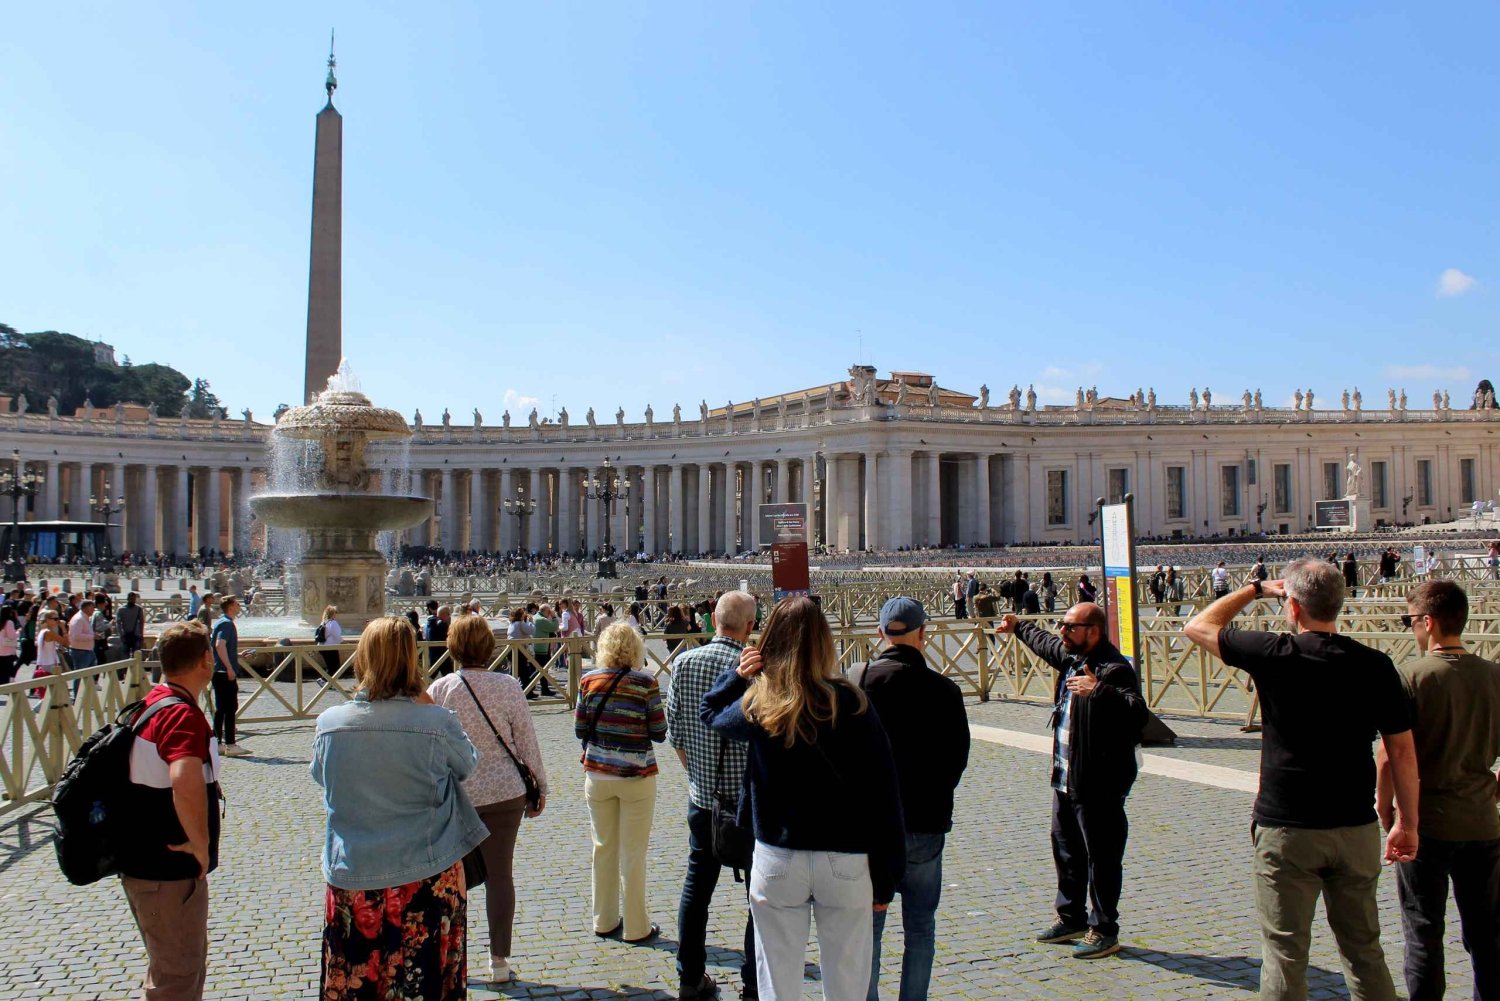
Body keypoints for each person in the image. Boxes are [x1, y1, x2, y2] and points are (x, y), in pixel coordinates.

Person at [1182, 558, 1420, 1001]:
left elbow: (1197, 626)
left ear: (1292, 608)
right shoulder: (1376, 665)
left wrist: (1254, 590)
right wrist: (1408, 822)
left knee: (1285, 954)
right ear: (1340, 603)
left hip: (1287, 827)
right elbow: (1402, 752)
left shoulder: (1273, 653)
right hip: (1354, 825)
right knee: (1364, 950)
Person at [702, 596, 905, 1001]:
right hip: (845, 860)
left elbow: (710, 713)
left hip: (778, 857)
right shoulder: (852, 703)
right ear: (826, 642)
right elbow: (884, 796)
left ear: (769, 641)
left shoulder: (761, 703)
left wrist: (738, 676)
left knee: (777, 985)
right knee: (848, 986)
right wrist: (886, 878)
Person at [311, 616, 487, 1000]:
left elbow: (322, 778)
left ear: (363, 658)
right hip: (426, 877)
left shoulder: (330, 724)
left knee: (360, 985)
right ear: (412, 660)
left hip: (355, 877)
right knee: (426, 985)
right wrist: (428, 704)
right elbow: (468, 764)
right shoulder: (436, 723)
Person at [994, 602, 1147, 960]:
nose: (1062, 632)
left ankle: (1104, 928)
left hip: (1099, 783)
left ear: (1092, 631)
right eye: (1062, 625)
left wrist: (1098, 691)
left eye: (1070, 627)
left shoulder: (1114, 669)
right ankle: (1071, 918)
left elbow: (1138, 713)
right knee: (1066, 850)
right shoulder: (1072, 658)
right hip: (1067, 776)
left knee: (1102, 858)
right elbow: (1045, 642)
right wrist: (1018, 626)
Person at [1377, 580, 1500, 1001]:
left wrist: (1386, 810)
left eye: (1410, 620)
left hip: (1425, 822)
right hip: (1483, 821)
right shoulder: (1494, 676)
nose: (1410, 628)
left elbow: (1390, 757)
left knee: (1424, 931)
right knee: (1487, 934)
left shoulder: (1411, 676)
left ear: (1427, 622)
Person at [853, 598, 970, 1001]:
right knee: (920, 929)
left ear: (880, 632)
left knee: (867, 930)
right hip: (925, 823)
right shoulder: (946, 690)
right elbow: (957, 760)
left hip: (868, 831)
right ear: (923, 633)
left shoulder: (856, 679)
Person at [430, 614, 550, 986]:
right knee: (501, 876)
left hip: (458, 795)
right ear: (489, 645)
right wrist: (540, 788)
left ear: (453, 646)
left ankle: (452, 958)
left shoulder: (441, 689)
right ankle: (499, 961)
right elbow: (527, 742)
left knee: (453, 881)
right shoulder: (508, 686)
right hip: (505, 794)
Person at [118, 621, 223, 1001]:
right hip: (167, 872)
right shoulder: (181, 715)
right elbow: (184, 778)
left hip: (145, 867)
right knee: (176, 980)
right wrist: (200, 844)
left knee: (175, 968)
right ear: (206, 661)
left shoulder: (151, 703)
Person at [665, 590, 760, 1001]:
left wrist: (699, 778)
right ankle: (755, 984)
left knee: (696, 889)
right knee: (759, 898)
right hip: (750, 805)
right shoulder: (757, 670)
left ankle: (690, 978)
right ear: (750, 627)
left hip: (703, 800)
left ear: (713, 620)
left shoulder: (683, 663)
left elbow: (675, 733)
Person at [575, 621, 668, 944]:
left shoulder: (588, 680)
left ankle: (603, 919)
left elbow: (579, 729)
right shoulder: (645, 683)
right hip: (635, 775)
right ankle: (636, 926)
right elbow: (659, 732)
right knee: (634, 852)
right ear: (636, 649)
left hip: (598, 773)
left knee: (603, 847)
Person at [210, 596, 249, 757]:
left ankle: (217, 743)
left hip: (218, 672)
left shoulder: (220, 622)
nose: (239, 606)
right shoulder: (227, 624)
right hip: (224, 672)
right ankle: (231, 744)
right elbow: (220, 645)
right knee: (231, 708)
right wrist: (229, 668)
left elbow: (221, 647)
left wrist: (237, 655)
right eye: (237, 603)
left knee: (221, 709)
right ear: (231, 606)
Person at [68, 597, 98, 672]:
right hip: (80, 652)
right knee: (80, 676)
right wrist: (92, 636)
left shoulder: (85, 618)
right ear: (86, 608)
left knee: (89, 675)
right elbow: (76, 635)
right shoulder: (79, 619)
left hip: (87, 650)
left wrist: (93, 634)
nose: (93, 610)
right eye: (92, 608)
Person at [316, 605, 343, 683]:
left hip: (322, 647)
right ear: (333, 613)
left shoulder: (324, 622)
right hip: (330, 647)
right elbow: (337, 635)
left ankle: (328, 682)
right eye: (335, 612)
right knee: (335, 666)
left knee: (330, 666)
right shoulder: (333, 623)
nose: (336, 614)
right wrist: (343, 641)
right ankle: (323, 680)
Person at [118, 591, 145, 659]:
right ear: (127, 599)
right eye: (131, 599)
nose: (133, 600)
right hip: (125, 635)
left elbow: (141, 622)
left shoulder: (139, 609)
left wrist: (141, 634)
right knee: (125, 656)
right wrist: (121, 634)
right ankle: (126, 669)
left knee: (136, 655)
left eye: (134, 599)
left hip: (136, 635)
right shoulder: (121, 609)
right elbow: (118, 623)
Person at [0, 604, 19, 685]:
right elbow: (12, 636)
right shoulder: (9, 622)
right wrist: (19, 632)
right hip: (7, 650)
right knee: (7, 670)